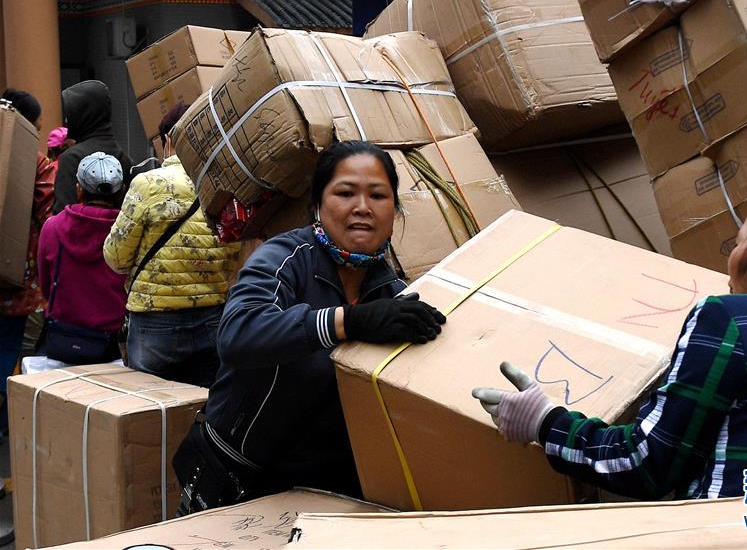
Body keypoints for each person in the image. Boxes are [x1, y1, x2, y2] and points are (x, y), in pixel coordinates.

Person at [474, 181, 747, 508]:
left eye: (740, 241)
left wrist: (545, 423)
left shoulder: (731, 318)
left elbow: (646, 463)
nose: (731, 258)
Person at [173, 140, 446, 514]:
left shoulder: (395, 296)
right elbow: (238, 334)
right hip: (237, 482)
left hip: (325, 496)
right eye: (345, 193)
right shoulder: (284, 259)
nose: (362, 207)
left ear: (394, 210)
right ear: (317, 204)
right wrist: (347, 322)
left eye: (378, 195)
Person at [103, 103, 239, 387]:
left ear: (168, 141)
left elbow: (115, 256)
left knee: (152, 405)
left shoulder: (147, 184)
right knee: (207, 400)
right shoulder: (227, 183)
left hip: (154, 320)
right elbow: (236, 252)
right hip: (213, 315)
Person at [35, 153, 127, 366]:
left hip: (63, 338)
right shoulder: (127, 231)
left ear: (79, 189)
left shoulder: (52, 227)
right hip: (114, 345)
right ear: (121, 191)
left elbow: (46, 286)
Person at [0, 90, 55, 428]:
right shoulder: (34, 161)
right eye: (35, 126)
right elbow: (48, 213)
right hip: (14, 276)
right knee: (10, 345)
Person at [54, 80, 135, 213]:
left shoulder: (71, 159)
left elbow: (62, 214)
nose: (67, 120)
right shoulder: (126, 160)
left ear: (81, 114)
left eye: (70, 114)